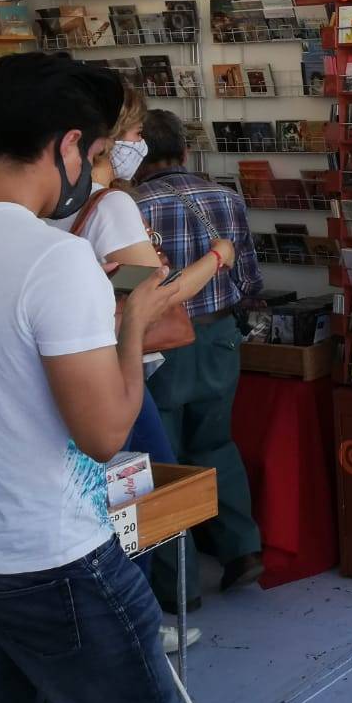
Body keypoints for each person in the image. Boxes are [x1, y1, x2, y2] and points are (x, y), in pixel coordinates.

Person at [0, 53, 189, 703]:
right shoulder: (53, 259)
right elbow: (106, 433)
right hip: (54, 555)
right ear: (70, 146)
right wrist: (131, 321)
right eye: (97, 152)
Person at [46, 82, 230, 653]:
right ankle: (144, 621)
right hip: (115, 368)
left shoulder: (44, 207)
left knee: (96, 495)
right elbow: (156, 296)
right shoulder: (113, 204)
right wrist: (216, 258)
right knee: (145, 498)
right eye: (130, 135)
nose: (136, 145)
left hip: (60, 371)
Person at [134, 109, 266, 610]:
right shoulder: (226, 198)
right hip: (219, 339)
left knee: (160, 463)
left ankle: (179, 584)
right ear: (186, 151)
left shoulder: (132, 207)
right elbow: (249, 278)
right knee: (215, 444)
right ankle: (242, 548)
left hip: (159, 347)